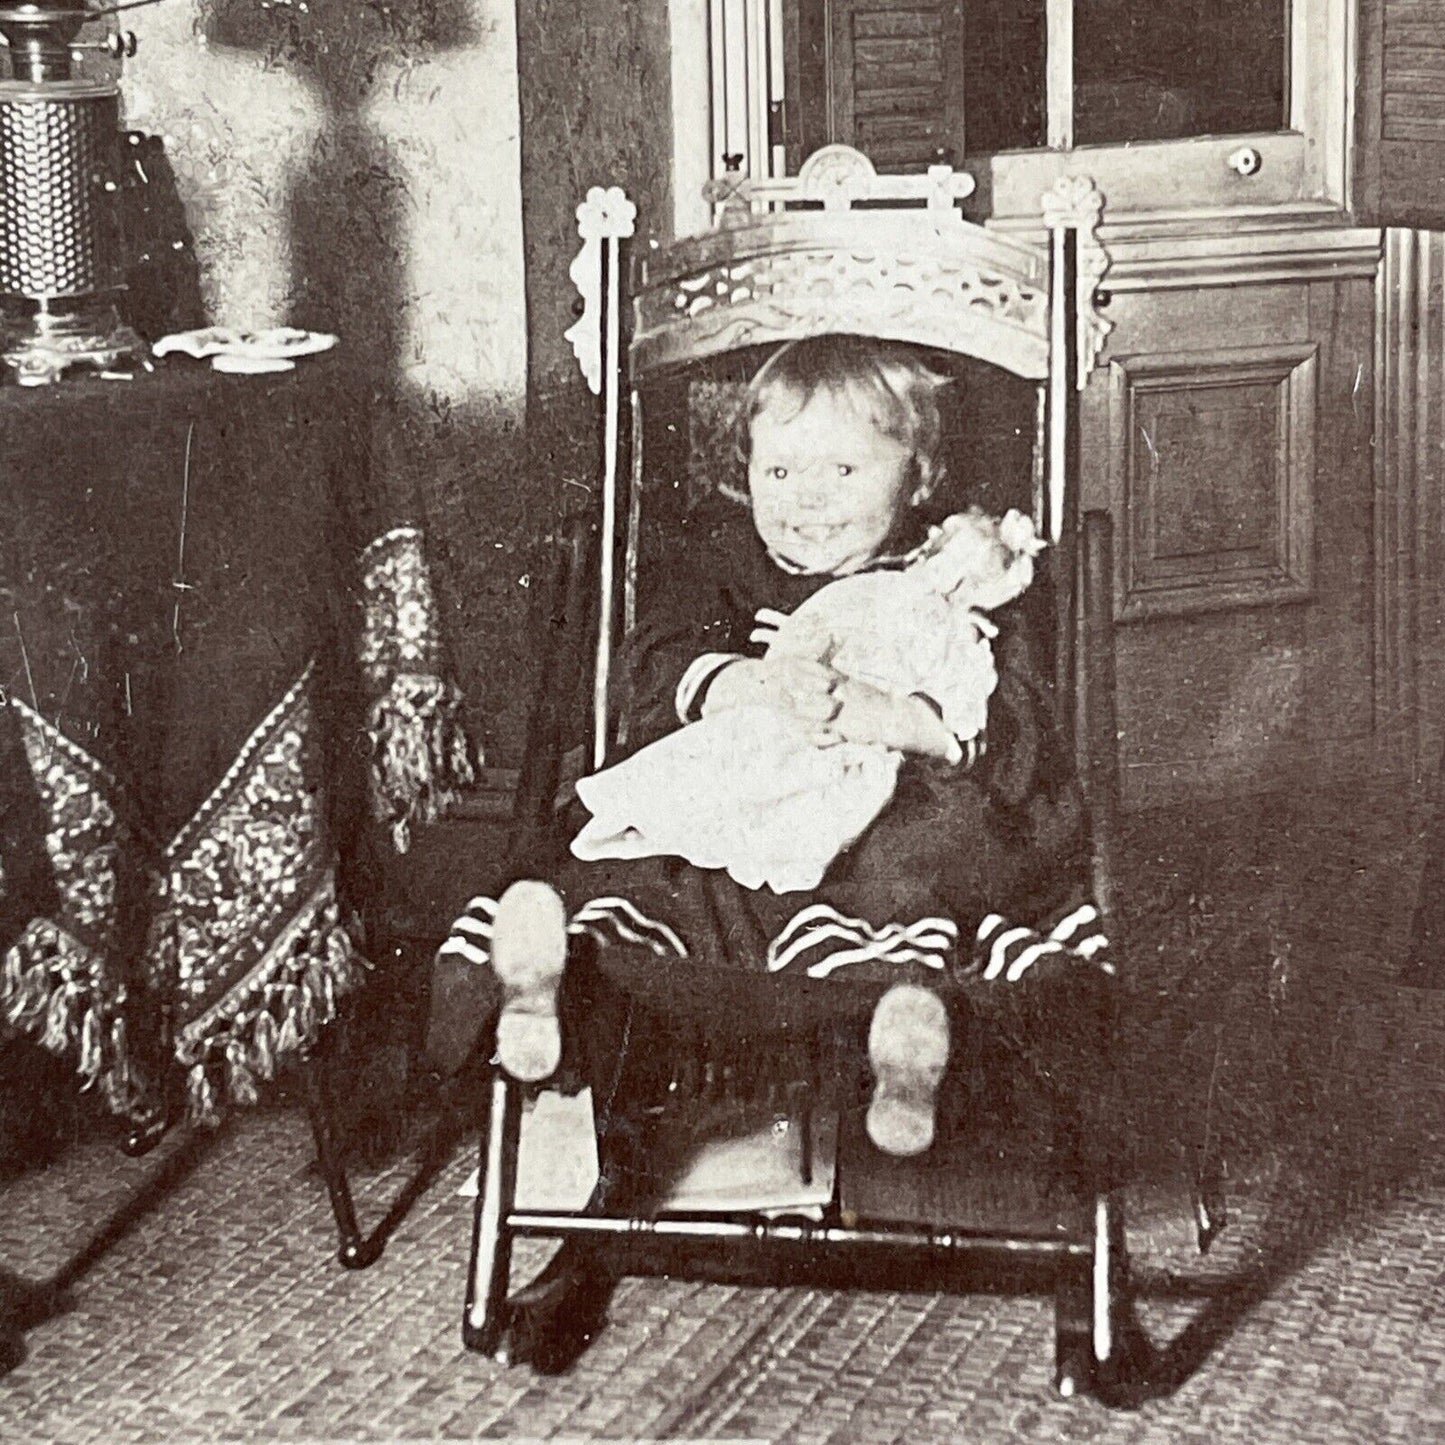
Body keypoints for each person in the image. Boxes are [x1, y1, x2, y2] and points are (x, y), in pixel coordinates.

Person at [437, 333, 1112, 1163]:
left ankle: (902, 1035)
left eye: (843, 472)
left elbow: (1008, 722)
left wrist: (894, 715)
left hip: (882, 824)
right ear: (744, 472)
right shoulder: (728, 565)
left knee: (916, 864)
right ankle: (549, 992)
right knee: (648, 862)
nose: (807, 501)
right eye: (779, 473)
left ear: (917, 475)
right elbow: (655, 662)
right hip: (734, 819)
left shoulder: (948, 578)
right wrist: (748, 682)